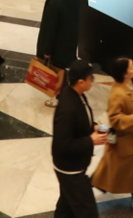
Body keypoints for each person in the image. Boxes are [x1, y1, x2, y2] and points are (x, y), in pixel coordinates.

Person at [92, 57, 133, 212]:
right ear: (125, 73)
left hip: (130, 138)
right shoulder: (117, 94)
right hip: (126, 140)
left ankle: (97, 183)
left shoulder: (127, 86)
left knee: (115, 168)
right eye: (132, 66)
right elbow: (115, 119)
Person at [52, 59, 107, 218]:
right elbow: (63, 144)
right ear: (81, 82)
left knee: (66, 206)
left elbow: (82, 119)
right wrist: (91, 140)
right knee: (87, 211)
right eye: (91, 78)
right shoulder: (68, 108)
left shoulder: (77, 95)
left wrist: (94, 127)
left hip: (74, 165)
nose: (93, 81)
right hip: (70, 169)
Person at [37, 0, 81, 108]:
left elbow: (50, 28)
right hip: (71, 38)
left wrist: (47, 49)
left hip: (58, 43)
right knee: (65, 66)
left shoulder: (54, 3)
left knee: (58, 69)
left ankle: (60, 96)